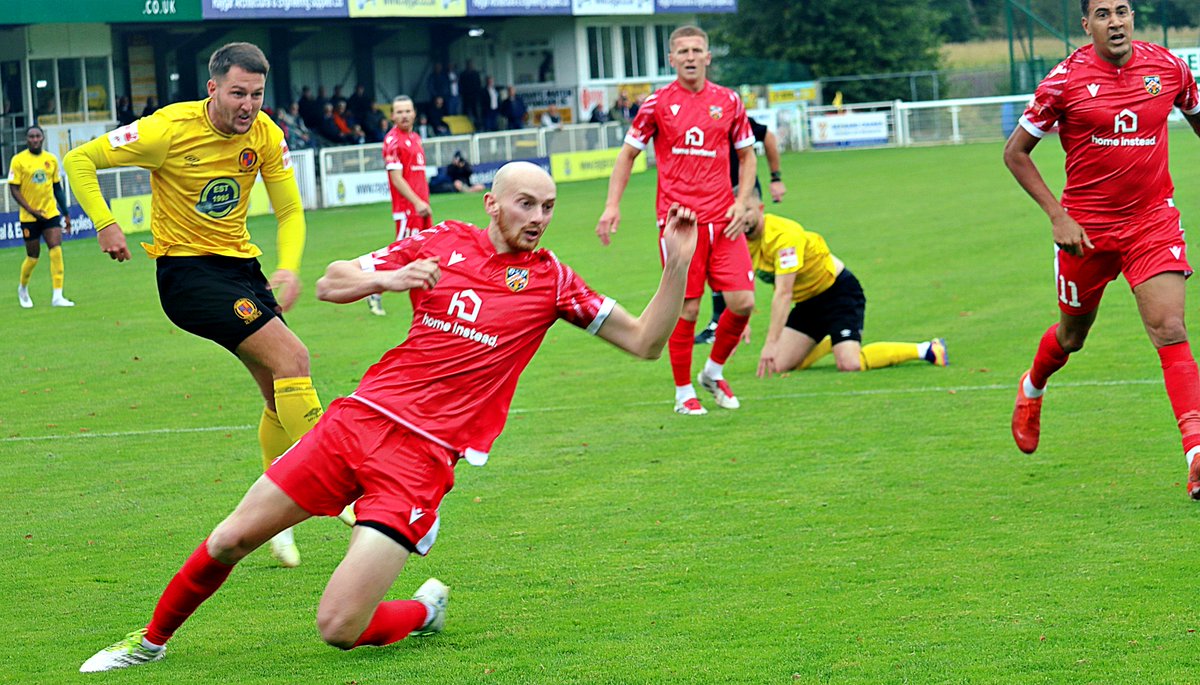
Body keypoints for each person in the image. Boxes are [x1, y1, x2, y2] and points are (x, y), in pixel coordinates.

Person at [77, 161, 699, 673]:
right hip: (356, 423)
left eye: (548, 207)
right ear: (492, 203)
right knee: (229, 538)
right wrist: (396, 276)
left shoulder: (554, 282)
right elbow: (331, 282)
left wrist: (674, 266)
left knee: (338, 627)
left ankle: (424, 611)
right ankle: (148, 643)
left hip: (420, 460)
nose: (538, 219)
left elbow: (644, 341)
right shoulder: (440, 242)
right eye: (526, 204)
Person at [63, 42, 329, 567]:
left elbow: (290, 209)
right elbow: (79, 159)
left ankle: (274, 522)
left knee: (279, 391)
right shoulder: (167, 128)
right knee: (294, 360)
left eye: (256, 94)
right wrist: (105, 221)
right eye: (237, 93)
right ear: (213, 89)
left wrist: (288, 266)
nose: (248, 105)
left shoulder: (266, 134)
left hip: (241, 270)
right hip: (188, 273)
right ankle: (337, 485)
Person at [1003, 0, 1200, 495]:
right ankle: (1033, 385)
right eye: (1104, 14)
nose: (1116, 22)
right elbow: (1016, 153)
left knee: (1170, 327)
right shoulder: (1063, 81)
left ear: (1133, 17)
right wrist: (1058, 215)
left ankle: (1197, 454)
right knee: (1072, 337)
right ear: (1086, 24)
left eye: (1123, 11)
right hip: (1085, 233)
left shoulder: (1169, 68)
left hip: (1152, 223)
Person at [596, 25, 758, 416]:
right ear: (671, 59)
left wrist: (742, 201)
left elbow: (747, 155)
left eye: (696, 50)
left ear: (707, 57)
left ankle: (713, 371)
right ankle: (683, 391)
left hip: (723, 219)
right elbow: (627, 155)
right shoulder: (656, 104)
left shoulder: (729, 101)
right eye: (682, 51)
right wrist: (611, 205)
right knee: (686, 310)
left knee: (743, 302)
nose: (689, 56)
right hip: (679, 222)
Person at [744, 194, 947, 376]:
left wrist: (770, 342)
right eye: (737, 211)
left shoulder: (784, 235)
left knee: (850, 364)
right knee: (778, 365)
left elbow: (784, 293)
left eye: (747, 210)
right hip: (807, 302)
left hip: (838, 293)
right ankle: (833, 339)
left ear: (761, 208)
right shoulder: (738, 241)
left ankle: (927, 349)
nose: (742, 217)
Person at [696, 114, 788, 344]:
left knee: (736, 252)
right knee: (715, 253)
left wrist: (775, 177)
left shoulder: (730, 114)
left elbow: (767, 136)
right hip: (712, 196)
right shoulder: (691, 118)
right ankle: (726, 320)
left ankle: (732, 320)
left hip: (743, 194)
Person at [371, 95, 433, 317]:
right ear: (392, 116)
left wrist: (424, 202)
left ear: (414, 112)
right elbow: (397, 178)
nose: (404, 115)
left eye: (408, 111)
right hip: (408, 210)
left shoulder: (415, 137)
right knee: (403, 255)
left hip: (420, 207)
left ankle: (427, 304)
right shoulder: (393, 141)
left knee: (423, 254)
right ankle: (374, 288)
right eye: (399, 112)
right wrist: (417, 203)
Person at [11, 125, 73, 308]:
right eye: (31, 136)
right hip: (29, 217)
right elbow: (14, 189)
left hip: (50, 214)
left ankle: (58, 295)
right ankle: (23, 288)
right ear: (26, 139)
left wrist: (66, 213)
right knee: (33, 256)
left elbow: (57, 188)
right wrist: (31, 210)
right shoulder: (19, 160)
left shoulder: (51, 160)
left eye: (38, 136)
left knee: (56, 250)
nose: (35, 139)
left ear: (43, 138)